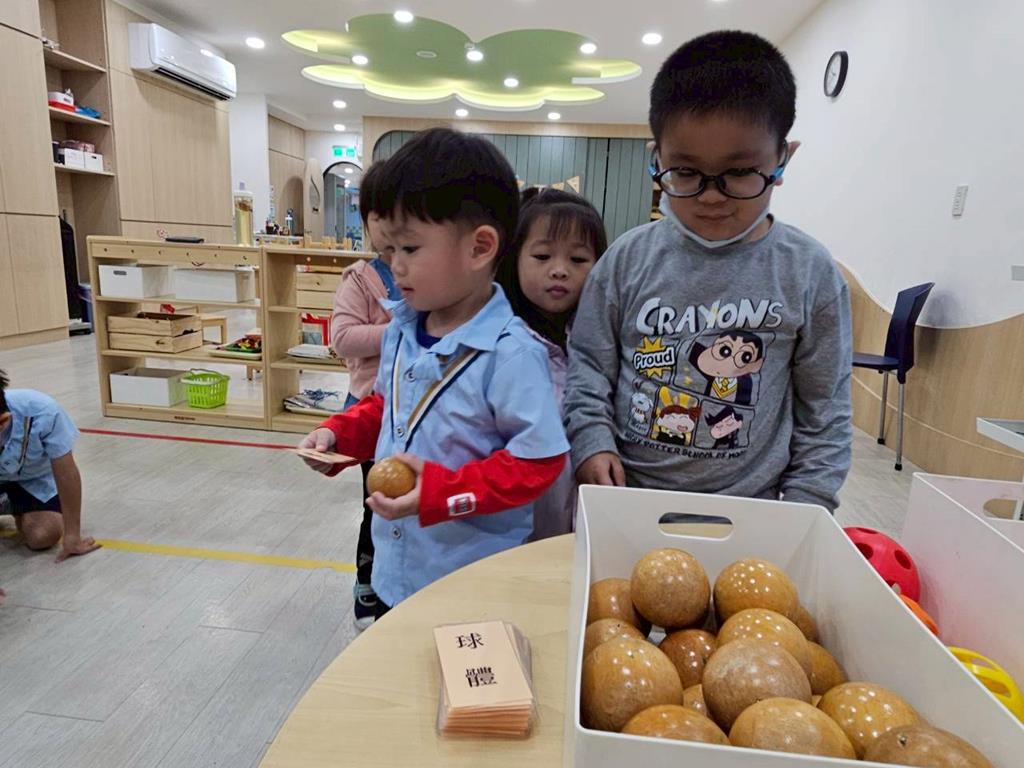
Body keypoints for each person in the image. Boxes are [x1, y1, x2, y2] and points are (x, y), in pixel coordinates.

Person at [566, 31, 853, 511]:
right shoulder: (625, 261)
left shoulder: (808, 272)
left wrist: (808, 503)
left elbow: (825, 409)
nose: (712, 196)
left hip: (752, 509)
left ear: (782, 159)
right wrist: (591, 440)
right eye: (686, 172)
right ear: (657, 159)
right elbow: (590, 367)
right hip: (626, 500)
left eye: (739, 173)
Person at [300, 128, 569, 614]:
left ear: (480, 248)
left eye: (408, 249)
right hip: (398, 569)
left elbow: (538, 463)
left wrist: (445, 492)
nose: (394, 267)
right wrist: (339, 434)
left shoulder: (511, 354)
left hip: (471, 581)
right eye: (386, 252)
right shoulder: (402, 330)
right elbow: (389, 409)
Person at [497, 187, 606, 537]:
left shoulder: (604, 341)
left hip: (584, 523)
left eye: (578, 259)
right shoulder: (499, 344)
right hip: (515, 529)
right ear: (514, 259)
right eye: (542, 256)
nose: (559, 271)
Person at [330, 162, 401, 630]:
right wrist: (400, 333)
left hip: (418, 406)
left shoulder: (435, 272)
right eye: (380, 216)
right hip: (373, 407)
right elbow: (342, 338)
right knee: (377, 501)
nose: (392, 226)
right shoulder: (361, 278)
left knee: (407, 504)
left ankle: (398, 582)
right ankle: (367, 582)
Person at [0, 369, 100, 574]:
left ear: (3, 422)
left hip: (34, 478)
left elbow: (66, 473)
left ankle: (16, 506)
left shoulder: (43, 411)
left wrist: (72, 536)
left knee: (43, 536)